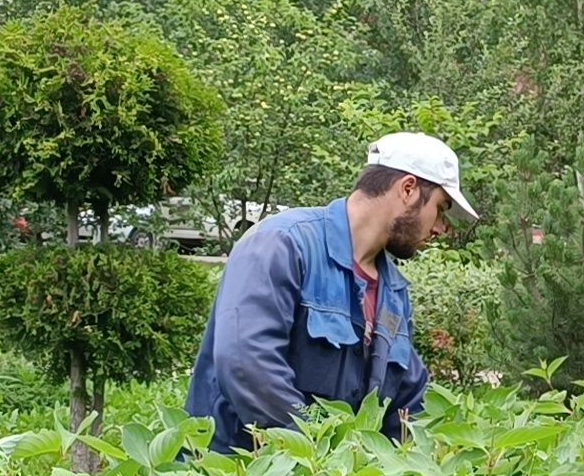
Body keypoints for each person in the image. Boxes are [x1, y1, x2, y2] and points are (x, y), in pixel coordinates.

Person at [185, 132, 478, 454]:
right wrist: (322, 453)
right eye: (440, 208)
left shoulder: (394, 292)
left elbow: (409, 401)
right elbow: (247, 364)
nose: (441, 228)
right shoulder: (282, 244)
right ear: (408, 189)